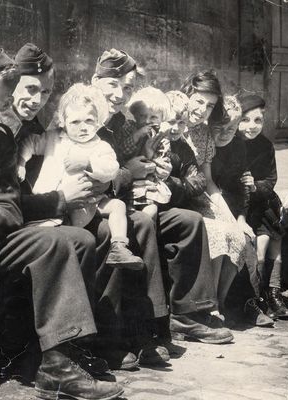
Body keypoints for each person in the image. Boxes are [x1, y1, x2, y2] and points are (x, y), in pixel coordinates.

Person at [0, 40, 124, 400]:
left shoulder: (2, 139)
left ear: (3, 103)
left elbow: (11, 210)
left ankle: (58, 361)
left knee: (74, 239)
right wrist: (60, 200)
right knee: (68, 239)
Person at [91, 49, 234, 345]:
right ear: (95, 82)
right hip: (107, 207)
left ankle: (188, 314)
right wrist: (128, 172)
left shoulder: (122, 123)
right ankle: (149, 327)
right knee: (143, 223)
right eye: (112, 85)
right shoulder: (89, 119)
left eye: (127, 87)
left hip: (138, 198)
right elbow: (95, 178)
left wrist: (162, 175)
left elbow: (173, 166)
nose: (120, 94)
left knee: (190, 222)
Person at [17, 82, 143, 269]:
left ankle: (119, 246)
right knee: (64, 239)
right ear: (64, 122)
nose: (83, 127)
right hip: (54, 202)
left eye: (89, 121)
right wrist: (21, 162)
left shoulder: (100, 146)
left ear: (98, 121)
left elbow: (112, 168)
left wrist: (89, 163)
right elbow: (31, 142)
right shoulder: (53, 138)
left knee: (118, 206)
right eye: (75, 122)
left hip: (89, 204)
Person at [180, 71, 258, 321]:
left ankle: (219, 303)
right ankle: (205, 307)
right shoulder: (173, 124)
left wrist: (230, 216)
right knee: (215, 232)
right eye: (199, 101)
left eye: (210, 105)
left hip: (200, 196)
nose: (203, 109)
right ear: (187, 95)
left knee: (236, 234)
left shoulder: (203, 133)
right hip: (179, 198)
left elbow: (209, 181)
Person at [210, 95, 273, 326]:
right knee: (227, 236)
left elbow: (240, 188)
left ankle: (247, 303)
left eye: (232, 127)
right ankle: (215, 305)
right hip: (207, 203)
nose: (226, 132)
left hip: (231, 206)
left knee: (245, 237)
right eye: (221, 127)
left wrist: (241, 217)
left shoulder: (237, 146)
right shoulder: (205, 143)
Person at [237, 94, 288, 320]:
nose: (252, 126)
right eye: (246, 120)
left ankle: (274, 293)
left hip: (264, 200)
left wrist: (255, 186)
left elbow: (271, 180)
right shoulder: (232, 143)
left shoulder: (266, 146)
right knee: (260, 245)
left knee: (275, 244)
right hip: (244, 206)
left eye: (258, 120)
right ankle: (257, 296)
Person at [117, 86, 174, 218]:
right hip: (128, 181)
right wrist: (137, 135)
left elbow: (161, 164)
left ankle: (149, 233)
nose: (147, 121)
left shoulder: (162, 138)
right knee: (128, 211)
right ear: (135, 114)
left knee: (151, 210)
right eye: (142, 116)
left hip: (148, 184)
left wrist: (150, 153)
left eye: (153, 117)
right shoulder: (129, 129)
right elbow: (123, 151)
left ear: (161, 118)